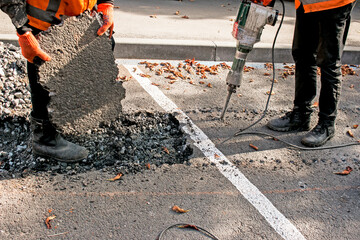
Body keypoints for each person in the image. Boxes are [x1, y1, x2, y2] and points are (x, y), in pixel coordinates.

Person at [0, 0, 114, 162]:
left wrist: (106, 3)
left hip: (81, 14)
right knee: (45, 63)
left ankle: (62, 119)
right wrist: (23, 28)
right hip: (45, 20)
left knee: (98, 54)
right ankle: (45, 138)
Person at [267, 0, 356, 147]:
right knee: (303, 54)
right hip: (307, 4)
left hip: (335, 4)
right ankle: (301, 114)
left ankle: (327, 124)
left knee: (329, 62)